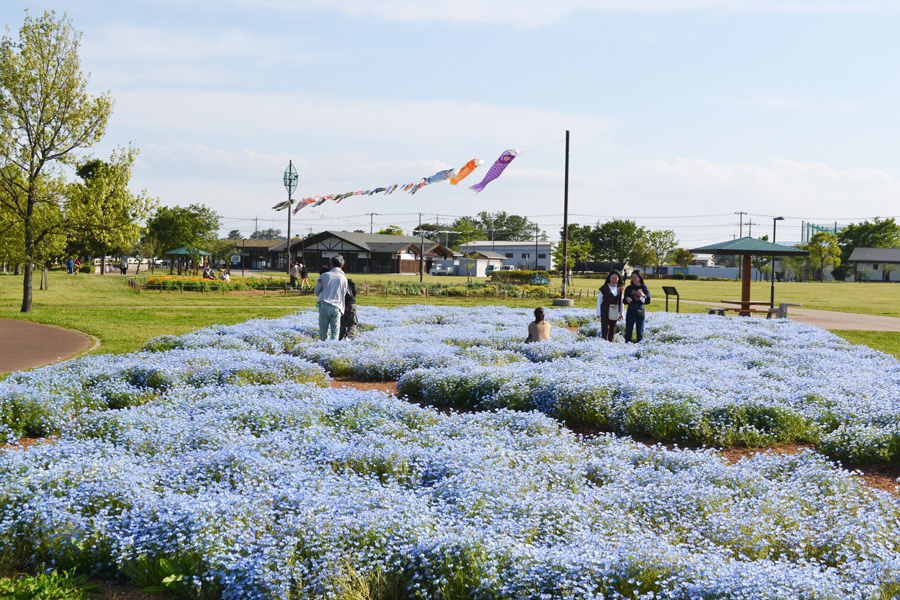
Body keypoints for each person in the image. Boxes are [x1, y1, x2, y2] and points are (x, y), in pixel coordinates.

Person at [314, 255, 349, 340]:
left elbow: (316, 291)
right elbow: (343, 294)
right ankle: (333, 347)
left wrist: (324, 295)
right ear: (342, 266)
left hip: (324, 306)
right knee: (335, 332)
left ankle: (323, 348)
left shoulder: (324, 276)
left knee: (323, 331)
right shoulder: (344, 278)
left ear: (331, 265)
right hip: (337, 307)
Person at [623, 270, 651, 343]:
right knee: (628, 331)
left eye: (635, 277)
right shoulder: (629, 288)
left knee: (640, 331)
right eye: (632, 277)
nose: (634, 279)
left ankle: (640, 346)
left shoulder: (644, 287)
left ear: (639, 277)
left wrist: (642, 296)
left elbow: (648, 301)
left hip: (640, 310)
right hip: (631, 310)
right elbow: (624, 301)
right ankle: (627, 344)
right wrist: (627, 299)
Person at [596, 271, 624, 342]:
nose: (614, 280)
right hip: (605, 310)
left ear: (618, 279)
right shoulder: (604, 288)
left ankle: (611, 343)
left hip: (615, 310)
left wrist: (621, 313)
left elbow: (621, 301)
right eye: (612, 278)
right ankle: (604, 342)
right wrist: (598, 313)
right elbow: (599, 301)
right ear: (609, 278)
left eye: (616, 278)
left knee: (613, 327)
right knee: (606, 327)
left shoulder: (620, 289)